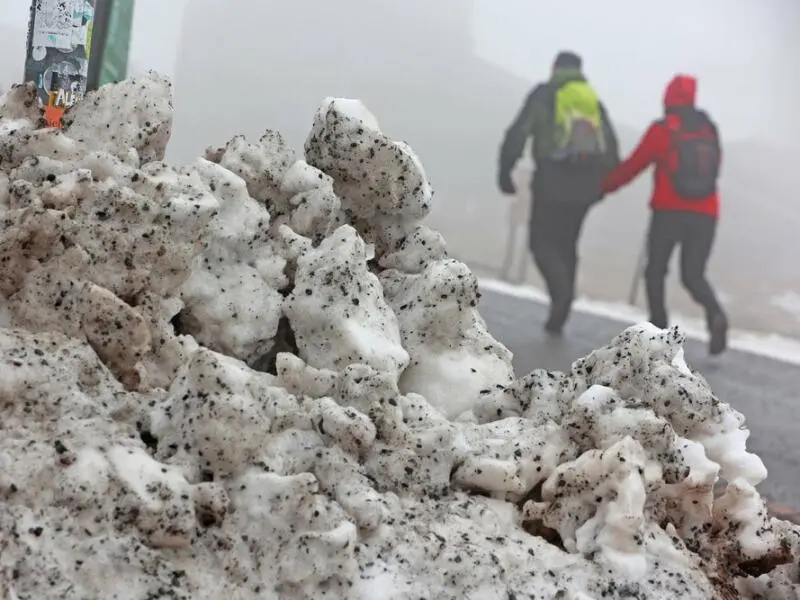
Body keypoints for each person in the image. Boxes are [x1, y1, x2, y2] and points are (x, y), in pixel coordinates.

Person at [602, 74, 728, 355]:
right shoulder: (709, 130)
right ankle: (716, 314)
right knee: (693, 275)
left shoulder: (663, 130)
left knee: (656, 270)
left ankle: (659, 331)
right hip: (706, 214)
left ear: (668, 98)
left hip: (669, 211)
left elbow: (635, 164)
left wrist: (603, 187)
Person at [497, 51, 620, 335]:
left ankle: (561, 295)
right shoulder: (592, 102)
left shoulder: (545, 94)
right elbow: (611, 149)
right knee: (567, 244)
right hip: (585, 185)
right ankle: (562, 301)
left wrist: (505, 170)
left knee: (541, 243)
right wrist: (601, 185)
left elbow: (519, 132)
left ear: (555, 68)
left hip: (552, 179)